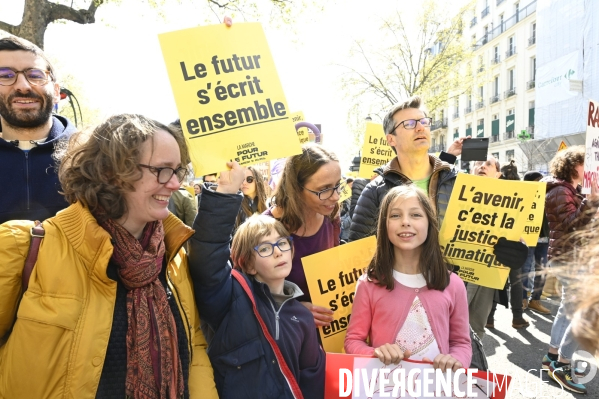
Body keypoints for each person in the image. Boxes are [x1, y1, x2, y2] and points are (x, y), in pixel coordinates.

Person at [0, 114, 217, 398]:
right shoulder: (24, 246)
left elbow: (194, 349)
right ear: (112, 173)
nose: (175, 183)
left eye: (178, 171)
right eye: (162, 170)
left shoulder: (173, 256)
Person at [189, 209, 325, 399]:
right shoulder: (231, 299)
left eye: (283, 243)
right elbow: (208, 264)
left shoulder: (302, 316)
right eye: (265, 248)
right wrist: (225, 193)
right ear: (248, 265)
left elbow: (312, 378)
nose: (278, 252)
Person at [344, 185, 471, 370]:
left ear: (430, 222)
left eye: (416, 215)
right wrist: (375, 354)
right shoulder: (368, 284)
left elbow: (461, 343)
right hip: (385, 388)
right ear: (384, 224)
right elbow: (353, 340)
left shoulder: (453, 284)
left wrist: (456, 360)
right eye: (395, 215)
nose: (405, 222)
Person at [540, 145, 599, 394]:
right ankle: (562, 365)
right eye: (586, 163)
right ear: (574, 166)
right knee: (584, 312)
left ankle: (552, 358)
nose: (590, 169)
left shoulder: (570, 190)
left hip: (571, 258)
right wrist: (591, 201)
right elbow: (572, 225)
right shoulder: (560, 191)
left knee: (568, 309)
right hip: (568, 258)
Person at [0, 35, 76, 224]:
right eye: (5, 75)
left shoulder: (93, 157)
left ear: (57, 92)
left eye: (35, 75)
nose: (23, 86)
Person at [264, 142, 341, 327]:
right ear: (296, 189)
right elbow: (251, 293)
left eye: (338, 185)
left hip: (326, 330)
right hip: (285, 333)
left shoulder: (331, 216)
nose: (336, 196)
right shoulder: (265, 229)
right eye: (324, 190)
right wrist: (294, 309)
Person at [521, 171, 551, 315]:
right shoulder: (522, 194)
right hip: (527, 238)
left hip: (543, 237)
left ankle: (535, 300)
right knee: (525, 269)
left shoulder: (546, 195)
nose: (542, 183)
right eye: (538, 180)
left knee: (542, 269)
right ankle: (522, 300)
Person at [235, 165, 267, 231]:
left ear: (258, 181)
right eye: (241, 179)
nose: (244, 183)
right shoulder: (236, 204)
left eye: (249, 179)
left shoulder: (268, 204)